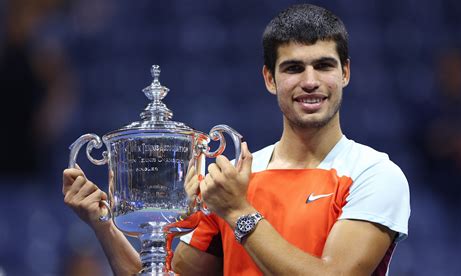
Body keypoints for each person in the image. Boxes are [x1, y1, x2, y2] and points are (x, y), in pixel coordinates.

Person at [63, 4, 410, 275]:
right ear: (269, 79)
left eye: (323, 66)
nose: (310, 81)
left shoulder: (374, 174)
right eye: (293, 68)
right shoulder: (234, 183)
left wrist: (239, 212)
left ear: (345, 73)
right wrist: (103, 224)